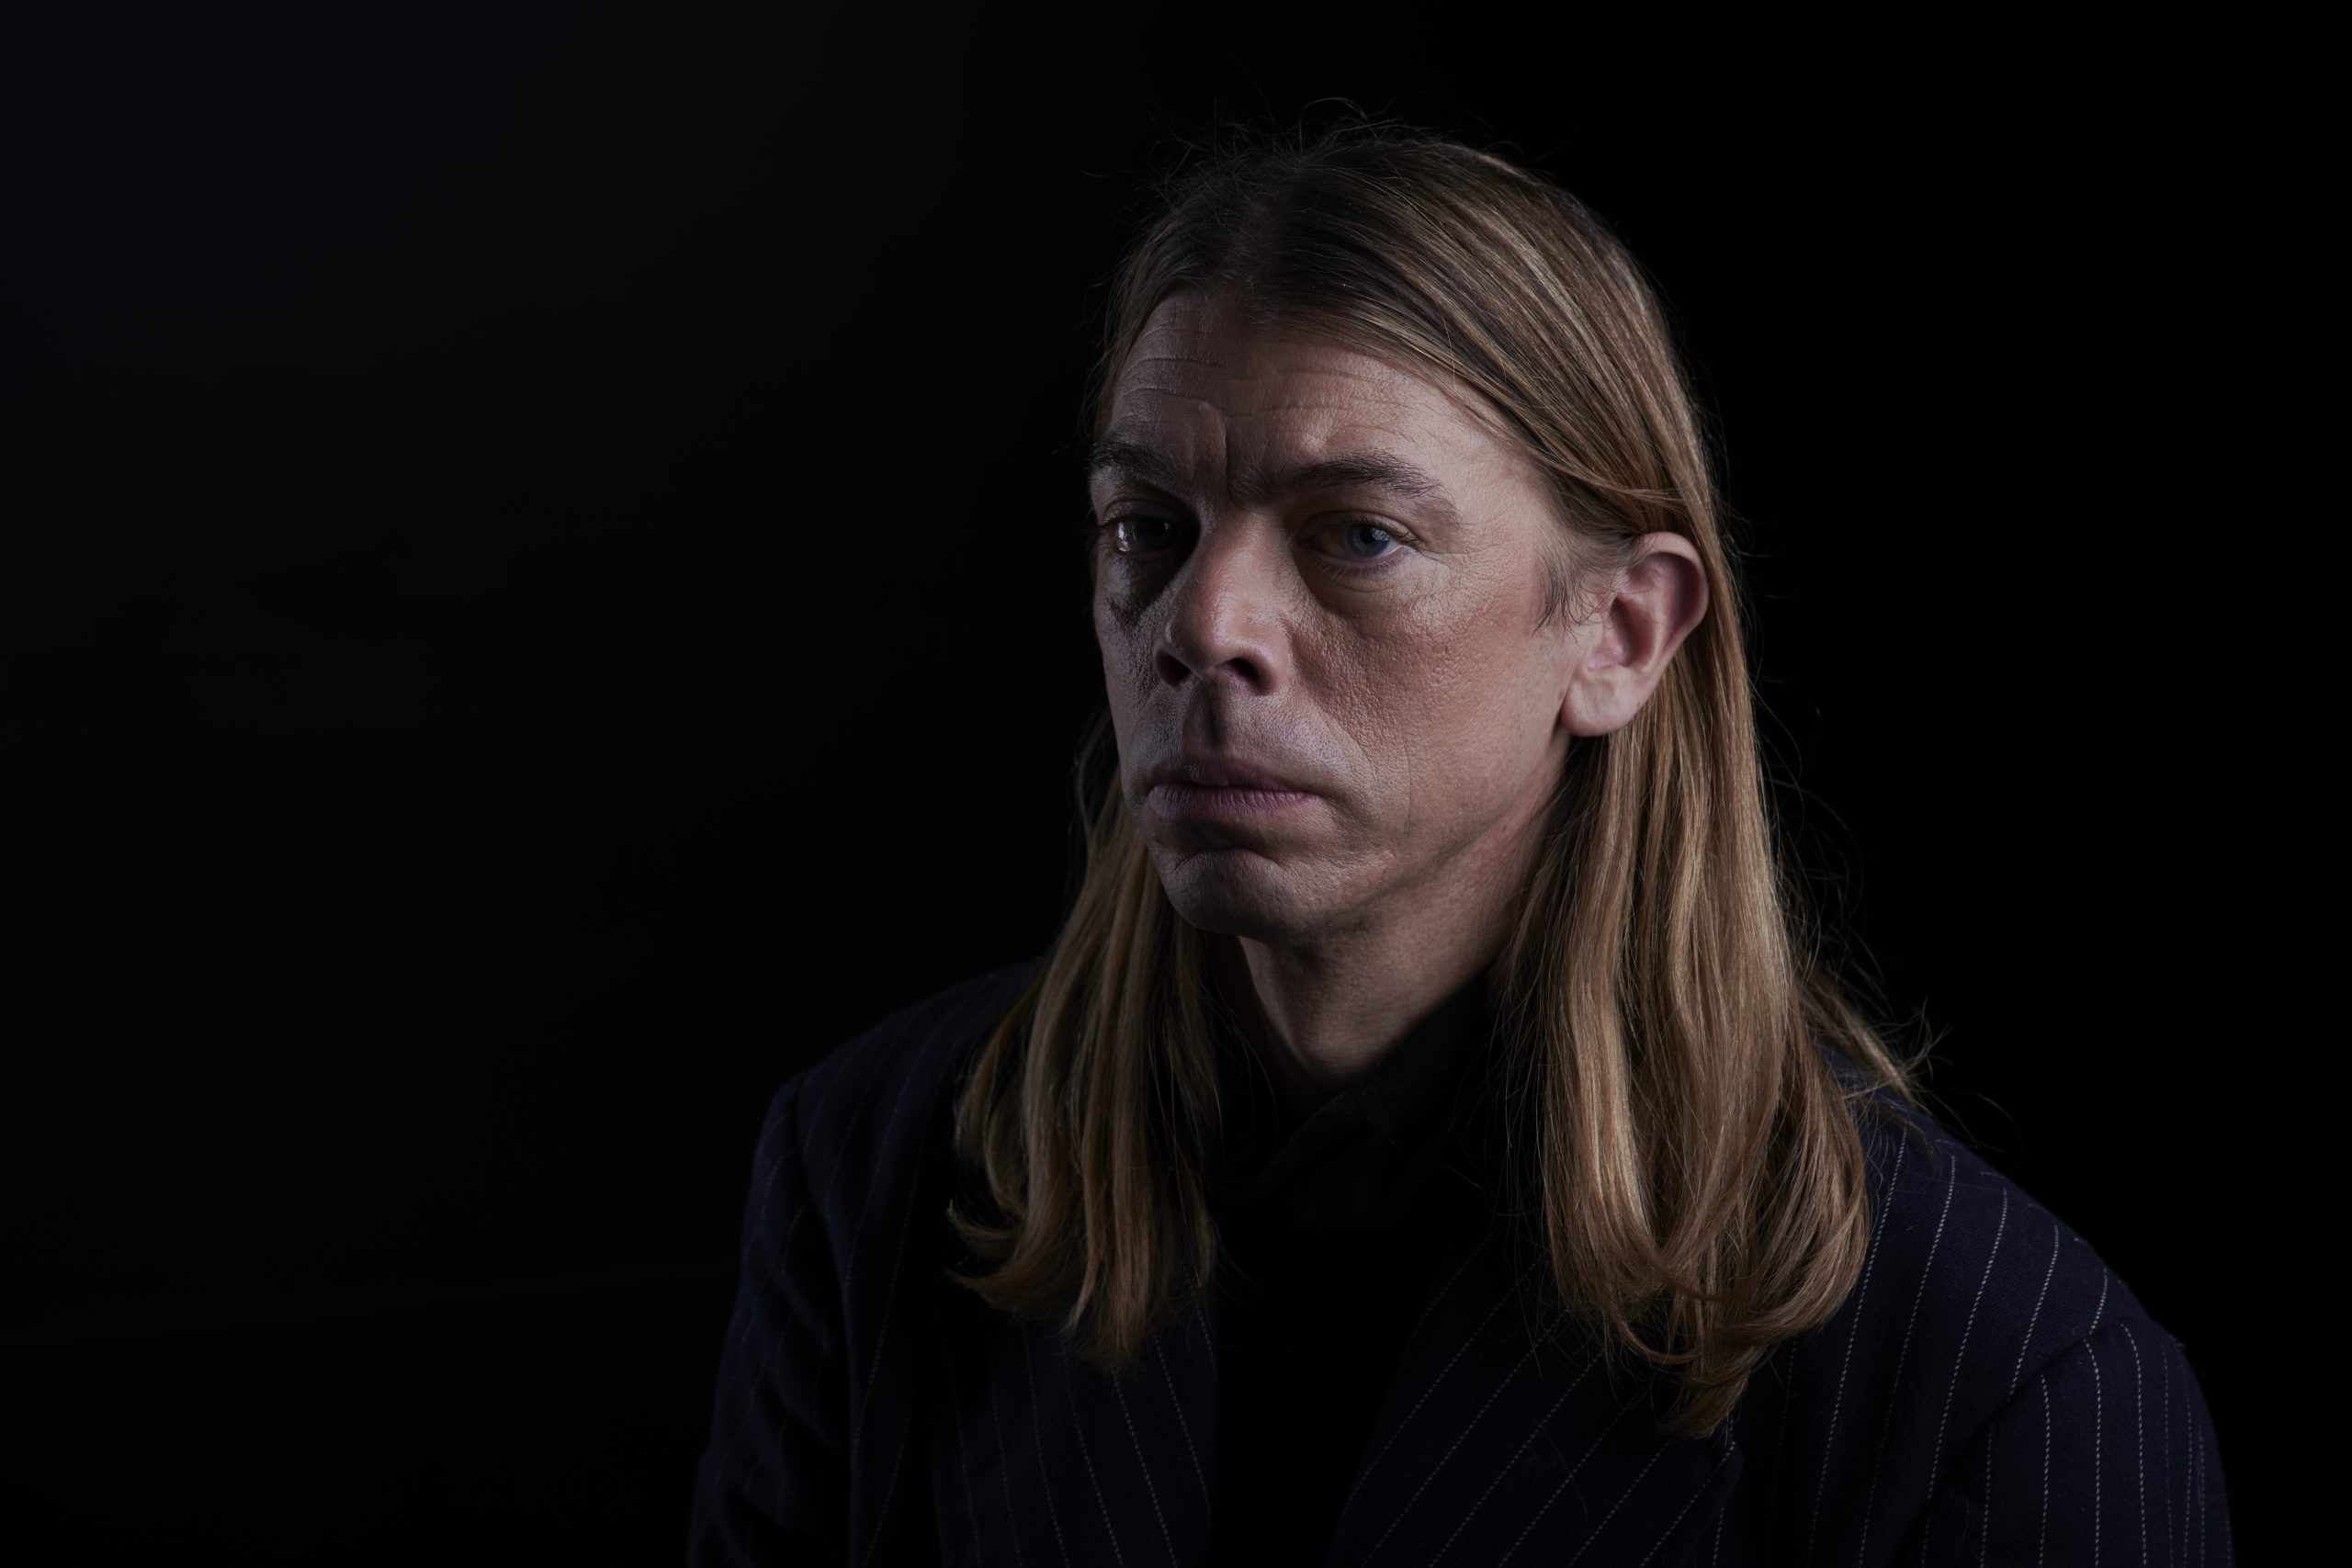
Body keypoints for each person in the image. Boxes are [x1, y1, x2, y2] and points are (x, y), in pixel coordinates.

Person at [687, 117, 2232, 1566]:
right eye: (1146, 527)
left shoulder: (2002, 1380)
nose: (1201, 628)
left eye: (1358, 534)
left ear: (1620, 634)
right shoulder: (874, 1173)